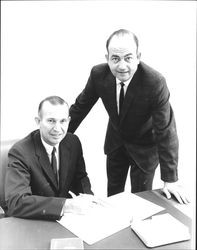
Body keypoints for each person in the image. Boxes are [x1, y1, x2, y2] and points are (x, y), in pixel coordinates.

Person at [68, 29, 189, 204]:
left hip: (145, 149)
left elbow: (166, 130)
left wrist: (170, 179)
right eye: (115, 58)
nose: (122, 66)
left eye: (128, 58)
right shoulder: (98, 75)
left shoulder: (155, 82)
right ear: (107, 58)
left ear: (138, 57)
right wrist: (58, 133)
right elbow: (80, 108)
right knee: (113, 198)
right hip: (116, 143)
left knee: (139, 201)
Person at [5, 96, 98, 220]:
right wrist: (66, 205)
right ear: (38, 121)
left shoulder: (73, 142)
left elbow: (80, 177)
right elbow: (16, 202)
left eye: (63, 121)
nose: (57, 129)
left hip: (64, 220)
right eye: (51, 121)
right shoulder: (20, 152)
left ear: (69, 120)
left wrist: (88, 199)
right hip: (32, 221)